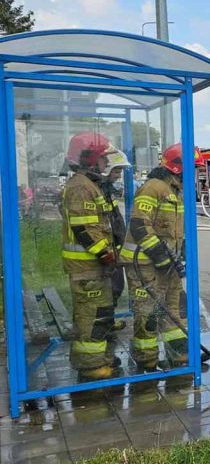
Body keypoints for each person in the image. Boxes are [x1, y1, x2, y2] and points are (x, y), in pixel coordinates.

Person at [60, 132, 122, 381]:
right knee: (90, 316)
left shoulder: (89, 184)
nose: (106, 163)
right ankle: (90, 366)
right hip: (86, 267)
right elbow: (84, 228)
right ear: (90, 159)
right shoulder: (81, 186)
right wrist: (105, 254)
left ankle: (100, 358)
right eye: (103, 158)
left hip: (94, 267)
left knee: (101, 312)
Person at [121, 143, 188, 370]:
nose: (196, 172)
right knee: (147, 313)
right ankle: (146, 360)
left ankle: (179, 353)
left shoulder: (175, 191)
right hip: (145, 265)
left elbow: (175, 231)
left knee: (174, 309)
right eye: (193, 167)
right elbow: (140, 225)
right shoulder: (153, 188)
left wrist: (181, 253)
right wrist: (161, 257)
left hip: (167, 264)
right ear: (178, 167)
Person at [100, 149, 131, 332]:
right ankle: (104, 328)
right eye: (117, 171)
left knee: (115, 287)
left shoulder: (106, 190)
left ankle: (108, 323)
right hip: (104, 250)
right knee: (109, 289)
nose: (119, 176)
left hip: (113, 247)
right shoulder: (98, 190)